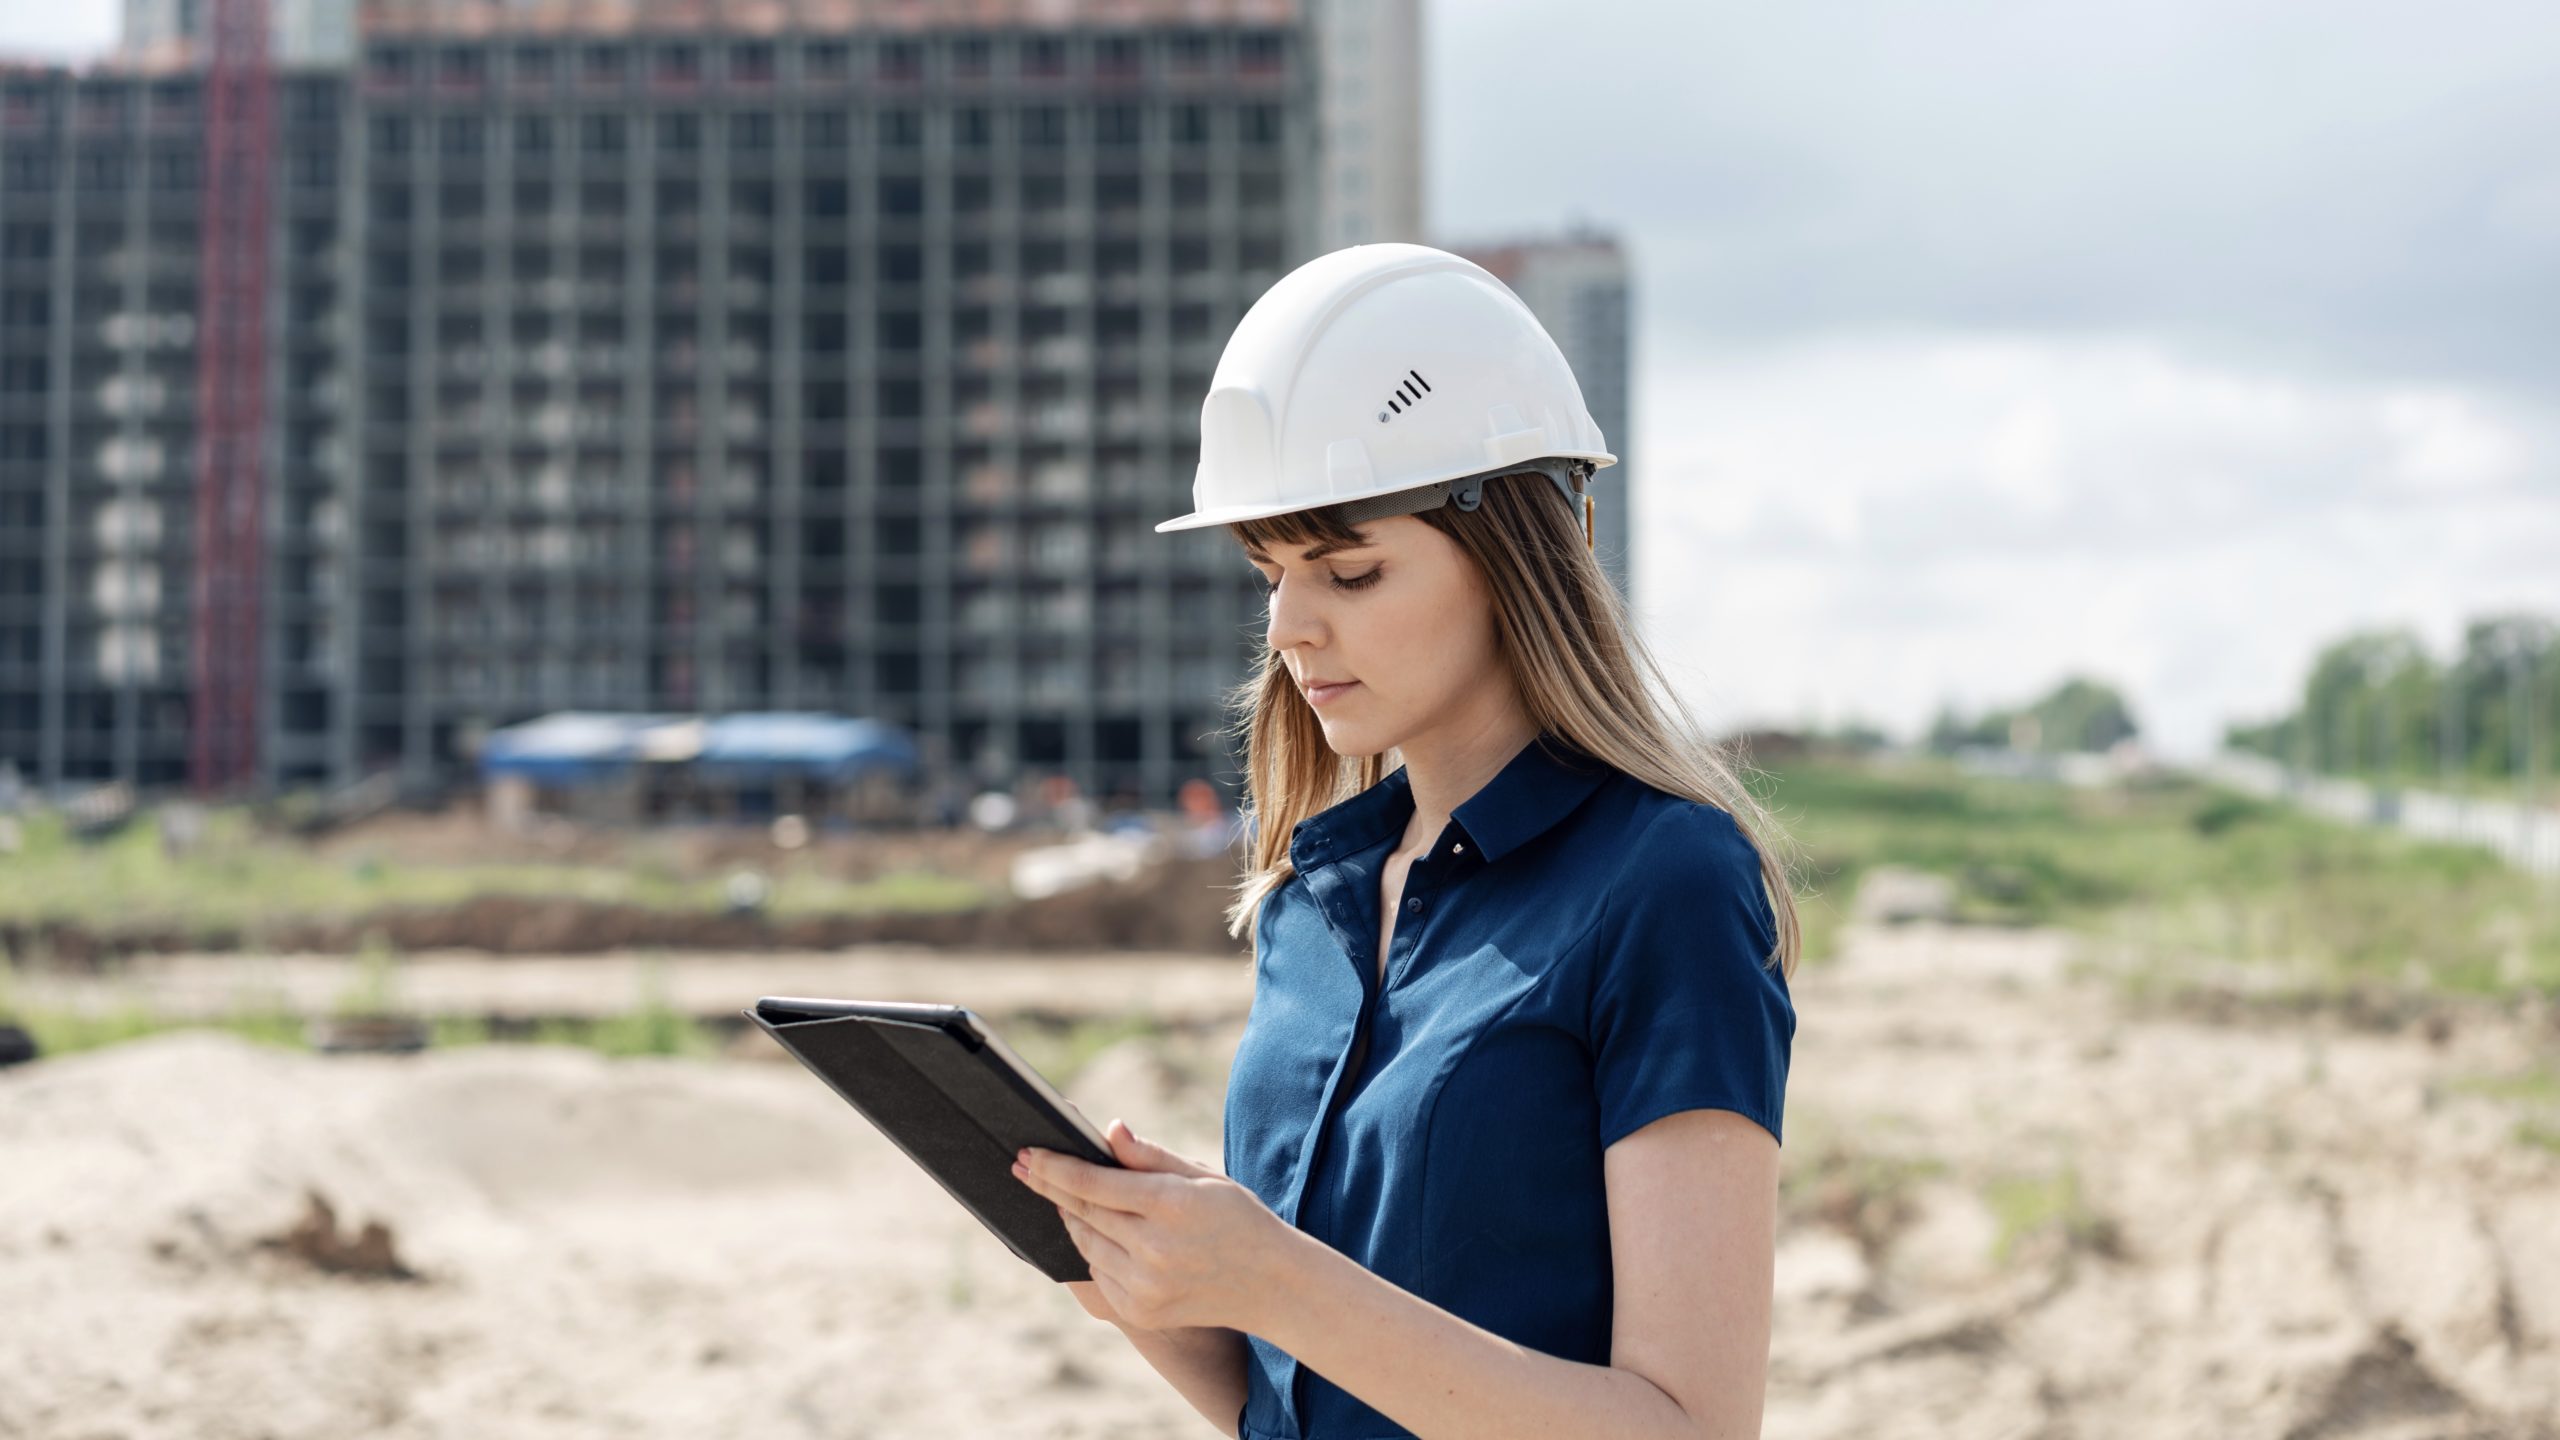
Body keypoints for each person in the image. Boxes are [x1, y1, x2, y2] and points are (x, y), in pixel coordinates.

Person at [1014, 242, 1802, 1440]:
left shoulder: (1667, 885)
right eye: (1271, 572)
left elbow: (1690, 1428)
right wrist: (1149, 1277)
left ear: (1518, 563)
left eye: (1349, 570)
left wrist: (1274, 1279)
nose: (1288, 625)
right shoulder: (1308, 905)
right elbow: (1295, 1402)